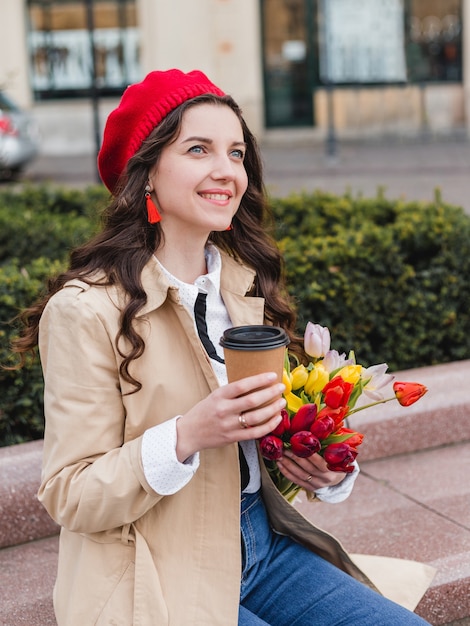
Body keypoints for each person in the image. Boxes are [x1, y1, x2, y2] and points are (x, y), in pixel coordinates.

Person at [12, 69, 431, 625]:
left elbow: (269, 431)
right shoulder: (86, 310)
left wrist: (321, 465)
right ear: (146, 176)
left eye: (236, 153)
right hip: (153, 565)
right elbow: (70, 492)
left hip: (263, 544)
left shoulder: (241, 284)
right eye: (198, 149)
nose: (225, 171)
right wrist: (188, 435)